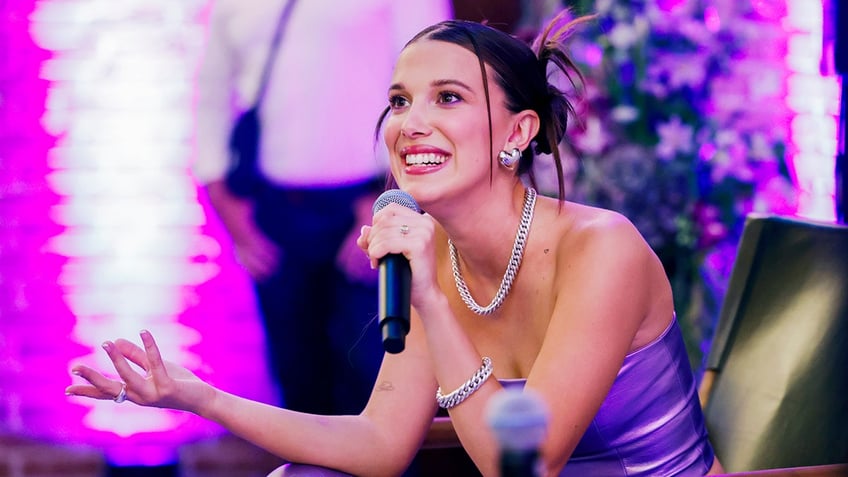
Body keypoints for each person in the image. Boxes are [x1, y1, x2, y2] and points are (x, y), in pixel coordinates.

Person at [68, 11, 724, 476]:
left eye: (447, 98)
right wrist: (196, 394)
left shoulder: (602, 249)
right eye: (401, 100)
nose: (411, 123)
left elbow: (524, 460)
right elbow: (380, 439)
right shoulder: (432, 256)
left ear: (518, 131)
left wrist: (432, 300)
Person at [193, 0, 452, 415]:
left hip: (372, 201)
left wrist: (390, 199)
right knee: (298, 383)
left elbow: (436, 83)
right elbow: (211, 96)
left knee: (380, 381)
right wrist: (224, 202)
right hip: (275, 212)